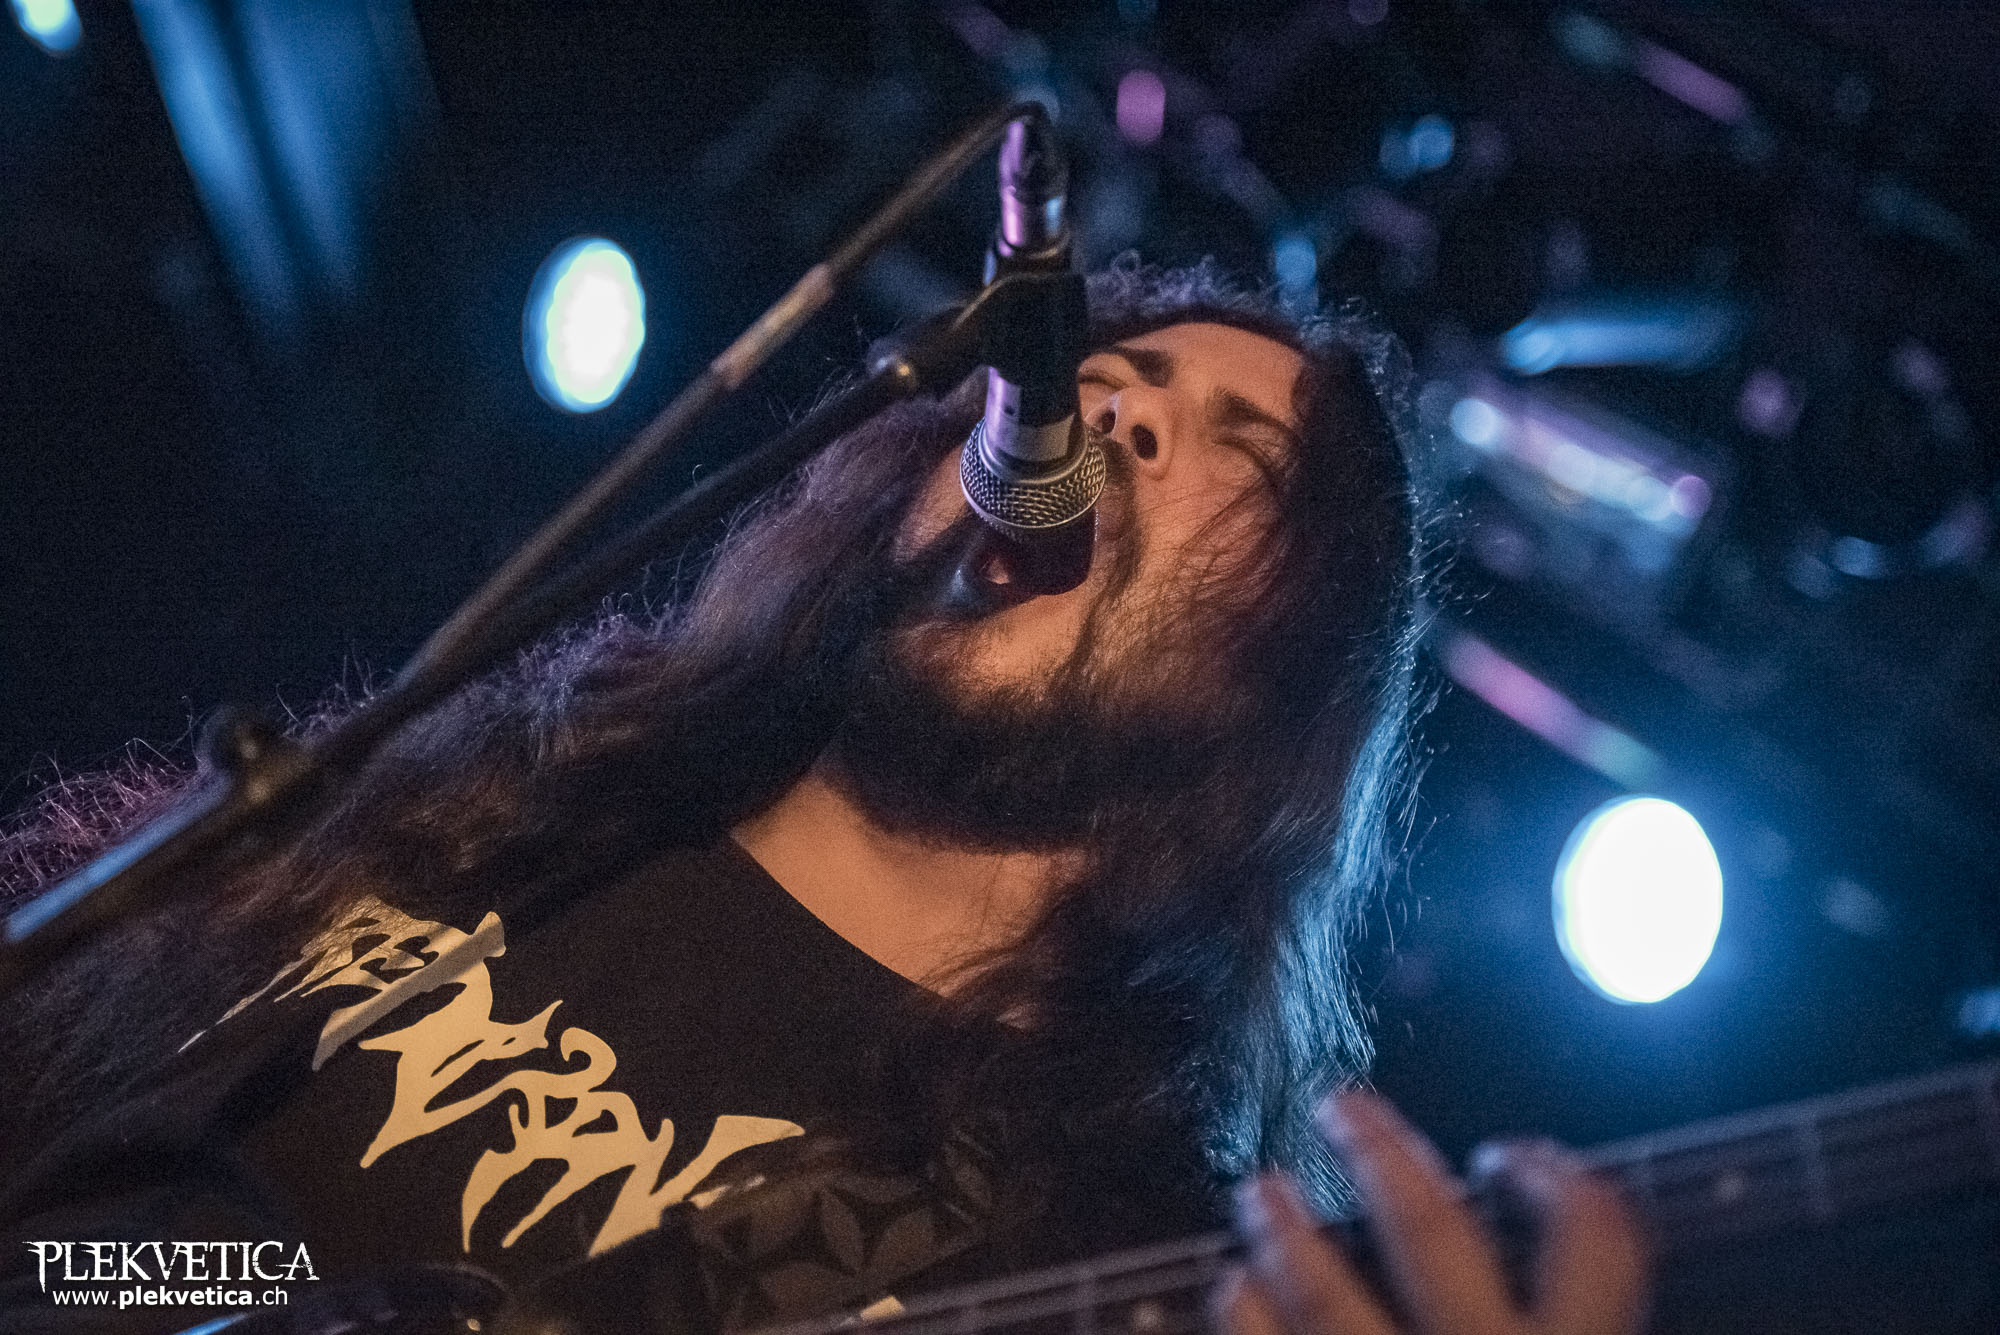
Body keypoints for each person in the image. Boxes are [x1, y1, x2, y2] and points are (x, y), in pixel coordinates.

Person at [0, 260, 1645, 1333]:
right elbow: (117, 1238)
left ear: (1280, 693)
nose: (1124, 407)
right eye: (1116, 368)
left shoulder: (1106, 1252)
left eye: (1244, 454)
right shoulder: (513, 810)